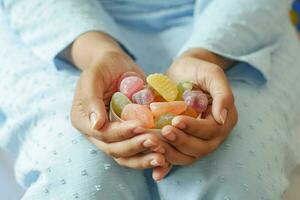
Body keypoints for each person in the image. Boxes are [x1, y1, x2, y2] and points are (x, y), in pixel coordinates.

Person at [0, 0, 299, 199]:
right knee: (79, 168)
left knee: (231, 172)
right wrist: (99, 52)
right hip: (61, 24)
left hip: (238, 22)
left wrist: (205, 54)